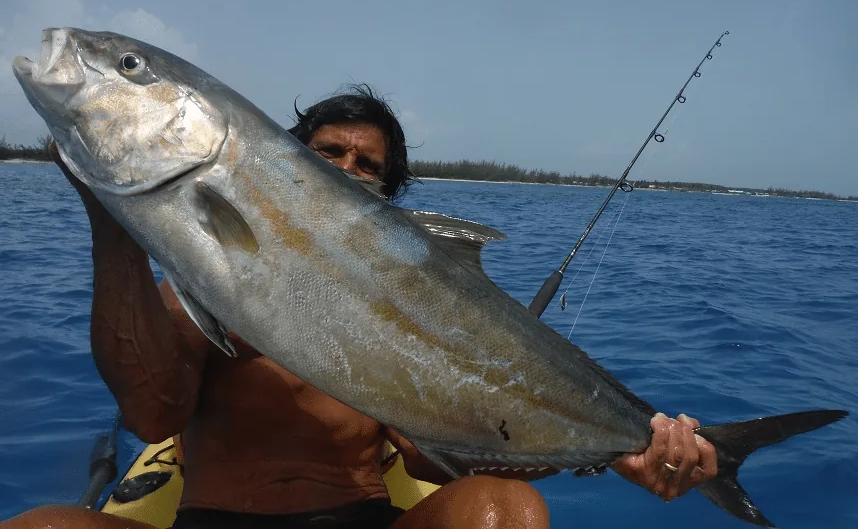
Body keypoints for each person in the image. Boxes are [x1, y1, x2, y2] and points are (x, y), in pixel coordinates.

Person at [2, 84, 717, 529]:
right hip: (215, 519)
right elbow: (153, 416)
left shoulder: (413, 316)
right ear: (281, 164)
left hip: (361, 517)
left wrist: (621, 451)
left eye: (366, 164)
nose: (343, 169)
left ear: (389, 196)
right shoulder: (212, 279)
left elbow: (439, 464)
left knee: (509, 514)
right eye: (325, 153)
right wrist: (112, 217)